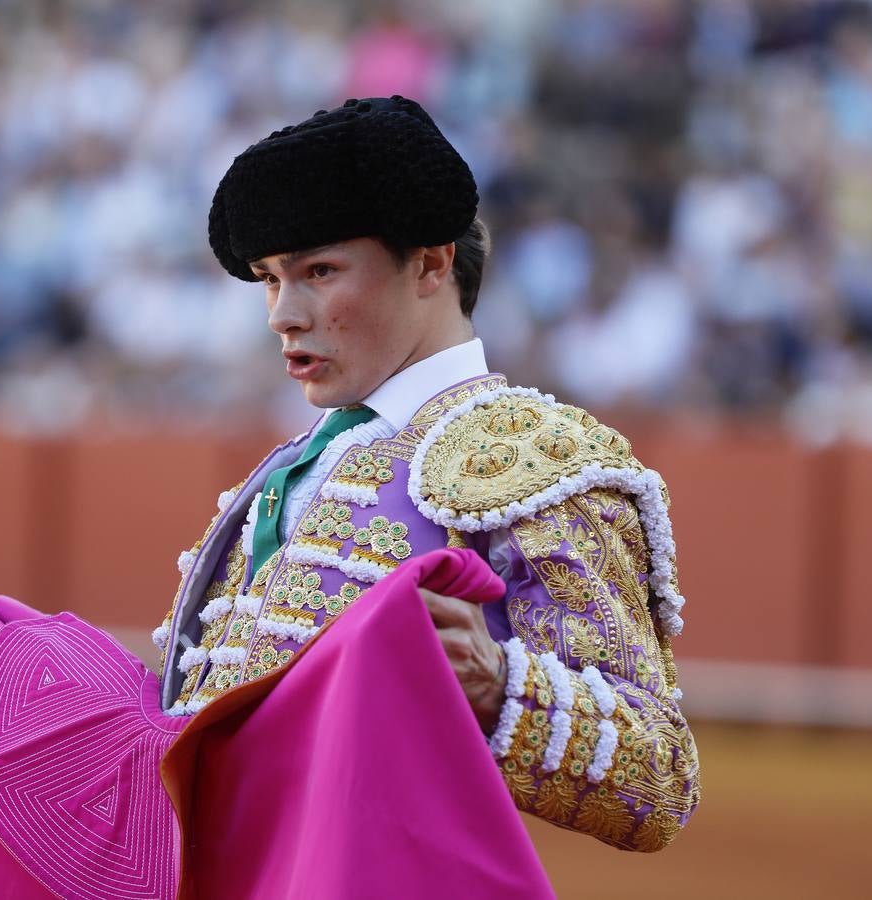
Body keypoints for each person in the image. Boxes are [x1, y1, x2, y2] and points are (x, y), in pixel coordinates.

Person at [158, 95, 700, 851]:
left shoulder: (538, 456)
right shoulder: (301, 462)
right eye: (269, 279)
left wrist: (498, 683)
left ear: (433, 262)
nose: (282, 313)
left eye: (319, 270)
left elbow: (659, 775)